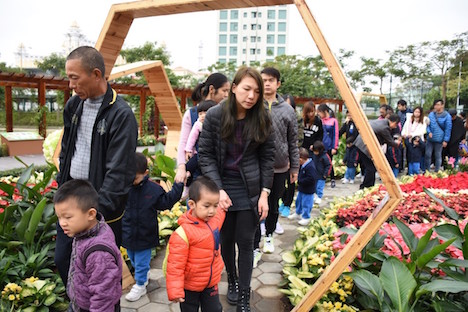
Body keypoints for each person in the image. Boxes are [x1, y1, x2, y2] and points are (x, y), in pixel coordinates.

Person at [56, 46, 138, 287]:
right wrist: (62, 189)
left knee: (103, 276)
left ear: (95, 74)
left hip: (101, 213)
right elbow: (66, 152)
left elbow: (119, 172)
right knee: (64, 260)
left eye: (74, 77)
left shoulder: (120, 114)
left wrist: (96, 214)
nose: (71, 84)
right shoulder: (73, 106)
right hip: (72, 201)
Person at [198, 67, 275, 311]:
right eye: (246, 89)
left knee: (246, 241)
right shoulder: (215, 115)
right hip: (222, 186)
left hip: (249, 187)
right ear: (233, 88)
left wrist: (265, 193)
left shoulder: (262, 116)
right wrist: (218, 190)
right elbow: (206, 155)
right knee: (227, 240)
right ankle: (231, 280)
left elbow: (267, 157)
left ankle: (244, 294)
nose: (251, 96)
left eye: (256, 91)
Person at [123, 153, 184, 302]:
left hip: (145, 234)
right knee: (133, 258)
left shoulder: (153, 190)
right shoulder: (124, 187)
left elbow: (166, 202)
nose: (132, 181)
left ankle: (140, 284)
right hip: (128, 233)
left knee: (141, 261)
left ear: (145, 174)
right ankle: (142, 274)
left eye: (135, 177)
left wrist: (178, 185)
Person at [54, 179, 122, 312]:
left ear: (91, 214)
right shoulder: (86, 231)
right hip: (80, 302)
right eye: (59, 217)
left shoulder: (98, 253)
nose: (62, 223)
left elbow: (103, 296)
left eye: (67, 217)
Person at [255, 67, 298, 257]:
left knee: (273, 206)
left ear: (278, 83)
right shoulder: (253, 106)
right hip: (255, 166)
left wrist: (294, 166)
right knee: (255, 207)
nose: (267, 84)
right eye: (263, 80)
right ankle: (255, 245)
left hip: (279, 167)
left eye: (271, 80)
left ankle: (270, 235)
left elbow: (293, 141)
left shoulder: (288, 110)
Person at [166, 176, 225, 312]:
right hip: (190, 286)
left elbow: (220, 213)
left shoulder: (213, 220)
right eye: (206, 206)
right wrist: (175, 290)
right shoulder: (182, 234)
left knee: (214, 309)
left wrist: (224, 204)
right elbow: (175, 266)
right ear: (192, 204)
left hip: (211, 283)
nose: (212, 210)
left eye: (215, 205)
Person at [175, 73, 230, 184]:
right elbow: (184, 142)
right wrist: (182, 168)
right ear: (211, 89)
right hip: (197, 171)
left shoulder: (228, 113)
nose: (227, 95)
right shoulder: (192, 114)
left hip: (222, 171)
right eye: (224, 91)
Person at [353, 114, 401, 189]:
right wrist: (397, 143)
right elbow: (390, 141)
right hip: (364, 146)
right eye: (395, 125)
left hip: (362, 143)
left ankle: (368, 185)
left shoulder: (381, 122)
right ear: (393, 122)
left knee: (371, 167)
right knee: (371, 168)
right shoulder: (384, 128)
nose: (395, 127)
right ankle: (366, 186)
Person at [279, 94, 303, 218]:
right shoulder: (278, 115)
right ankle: (282, 202)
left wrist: (291, 157)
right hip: (280, 156)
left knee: (291, 181)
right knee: (280, 182)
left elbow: (297, 139)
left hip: (291, 155)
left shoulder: (297, 118)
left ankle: (287, 204)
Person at [184, 100, 217, 186]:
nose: (202, 116)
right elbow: (192, 138)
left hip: (213, 155)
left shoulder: (216, 124)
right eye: (200, 114)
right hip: (199, 153)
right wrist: (188, 150)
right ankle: (188, 178)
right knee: (191, 165)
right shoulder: (198, 125)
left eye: (205, 113)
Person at [287, 147, 317, 225]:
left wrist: (300, 181)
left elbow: (311, 179)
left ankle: (306, 217)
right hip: (302, 189)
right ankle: (298, 213)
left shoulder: (310, 167)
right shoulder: (303, 165)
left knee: (306, 204)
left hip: (308, 190)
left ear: (301, 159)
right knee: (299, 202)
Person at [425, 99, 452, 172]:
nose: (436, 106)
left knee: (438, 155)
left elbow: (448, 129)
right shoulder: (431, 114)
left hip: (440, 139)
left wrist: (446, 140)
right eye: (435, 105)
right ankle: (427, 170)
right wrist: (429, 132)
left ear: (442, 105)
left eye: (438, 104)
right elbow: (427, 125)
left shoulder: (447, 116)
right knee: (427, 154)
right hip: (430, 138)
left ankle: (437, 170)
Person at [317, 104, 339, 188]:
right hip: (320, 146)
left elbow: (335, 134)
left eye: (319, 112)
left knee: (328, 163)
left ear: (324, 111)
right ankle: (321, 180)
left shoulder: (333, 121)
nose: (319, 114)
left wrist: (335, 147)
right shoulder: (320, 121)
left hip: (329, 146)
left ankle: (332, 179)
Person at [311, 141, 331, 205]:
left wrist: (326, 174)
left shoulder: (325, 156)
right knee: (314, 186)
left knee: (319, 187)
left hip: (322, 175)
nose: (315, 153)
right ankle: (316, 195)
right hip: (314, 174)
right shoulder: (314, 155)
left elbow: (329, 165)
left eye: (316, 151)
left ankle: (319, 197)